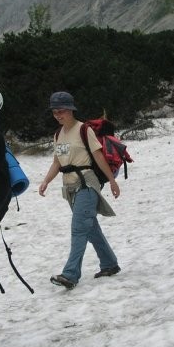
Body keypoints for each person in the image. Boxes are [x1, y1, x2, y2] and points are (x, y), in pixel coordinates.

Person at [38, 91, 121, 289]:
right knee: (90, 229)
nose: (58, 115)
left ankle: (70, 274)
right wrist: (46, 181)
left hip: (87, 184)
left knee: (78, 228)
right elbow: (57, 162)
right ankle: (109, 264)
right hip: (70, 187)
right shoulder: (58, 134)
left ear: (71, 110)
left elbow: (99, 157)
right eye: (54, 111)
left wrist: (112, 181)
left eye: (62, 111)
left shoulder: (83, 129)